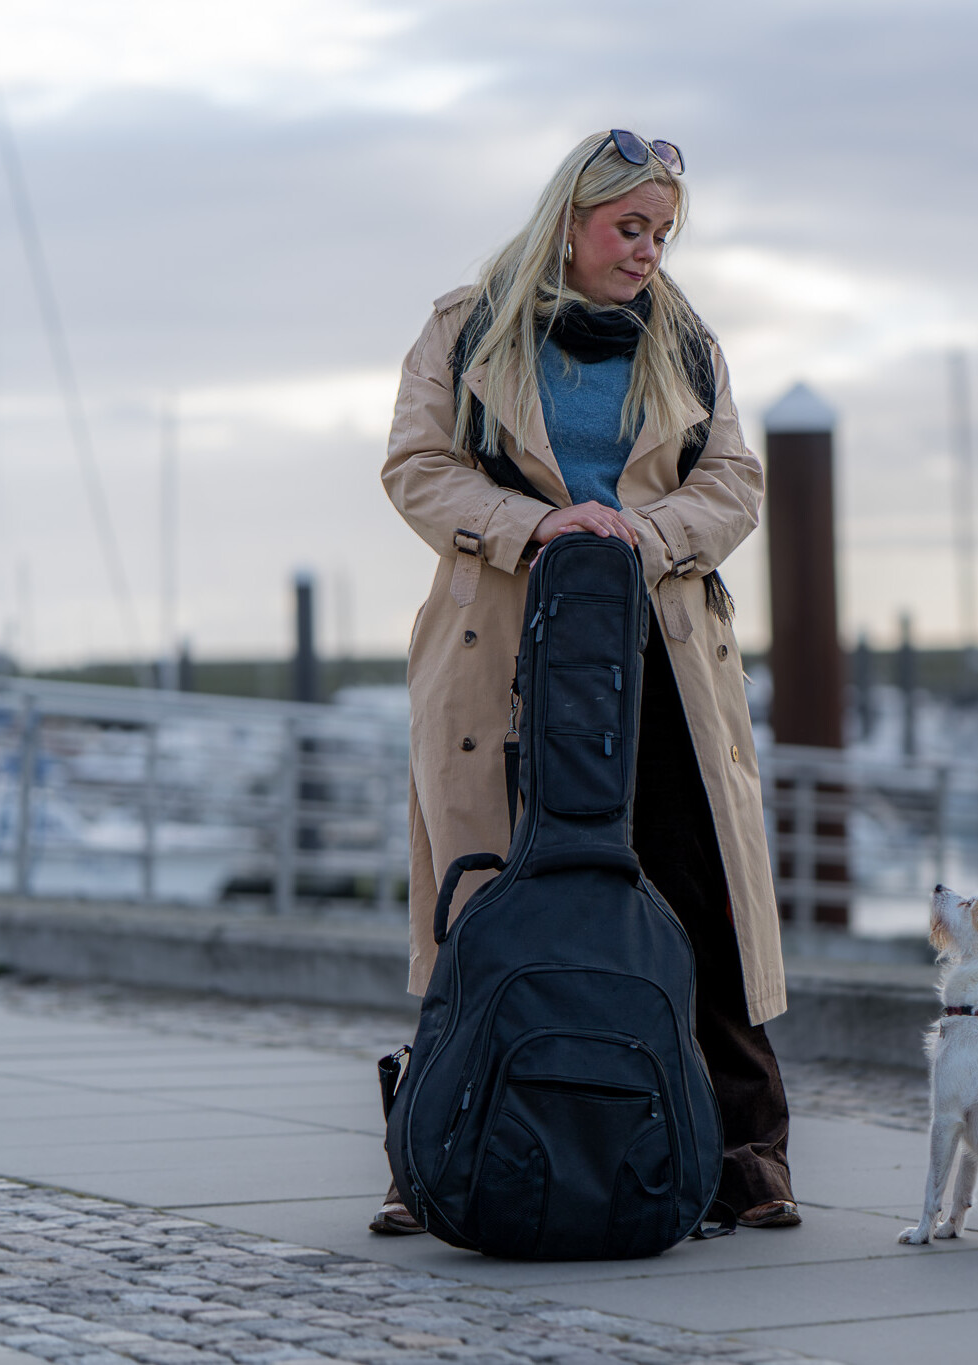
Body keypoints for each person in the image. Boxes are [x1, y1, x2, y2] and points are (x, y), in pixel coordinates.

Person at [374, 129, 797, 1233]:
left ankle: (746, 1159)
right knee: (481, 887)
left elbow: (735, 483)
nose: (649, 251)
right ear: (570, 218)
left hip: (657, 644)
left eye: (662, 233)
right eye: (630, 228)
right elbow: (415, 468)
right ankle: (435, 1153)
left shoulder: (685, 339)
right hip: (503, 645)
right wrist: (540, 526)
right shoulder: (465, 328)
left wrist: (636, 534)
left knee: (694, 884)